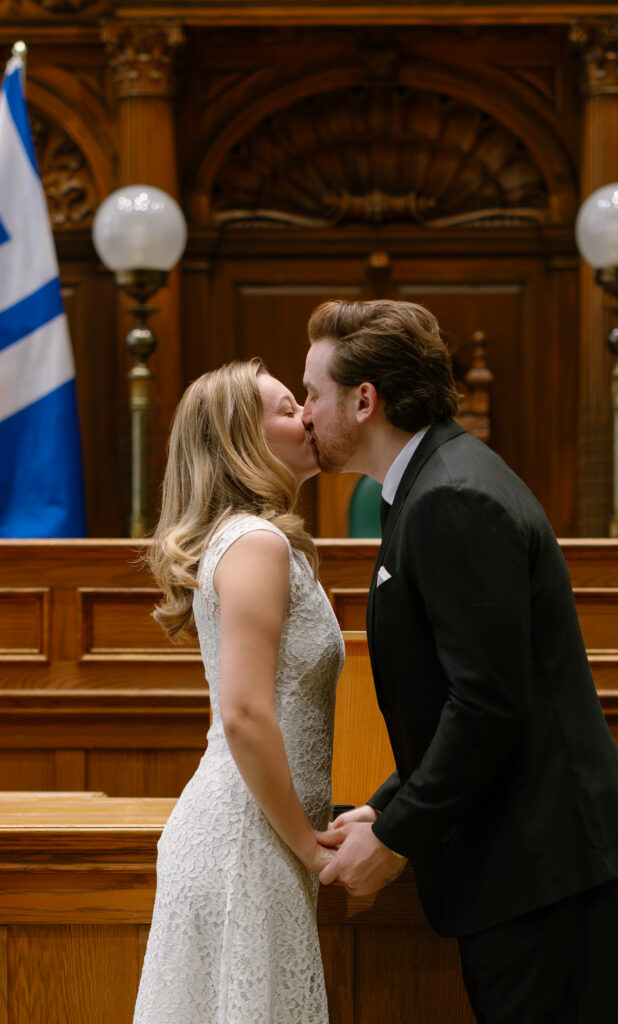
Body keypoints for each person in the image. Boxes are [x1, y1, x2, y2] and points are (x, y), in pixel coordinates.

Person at [303, 299, 618, 1024]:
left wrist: (397, 839)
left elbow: (490, 702)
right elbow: (465, 693)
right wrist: (393, 799)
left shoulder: (451, 496)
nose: (305, 413)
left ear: (364, 400)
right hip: (528, 862)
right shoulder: (432, 482)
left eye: (312, 393)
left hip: (544, 868)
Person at [133, 360, 344, 1024]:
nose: (306, 416)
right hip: (246, 842)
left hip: (258, 835)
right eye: (286, 409)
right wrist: (308, 846)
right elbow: (245, 714)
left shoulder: (258, 540)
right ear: (238, 442)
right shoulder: (255, 543)